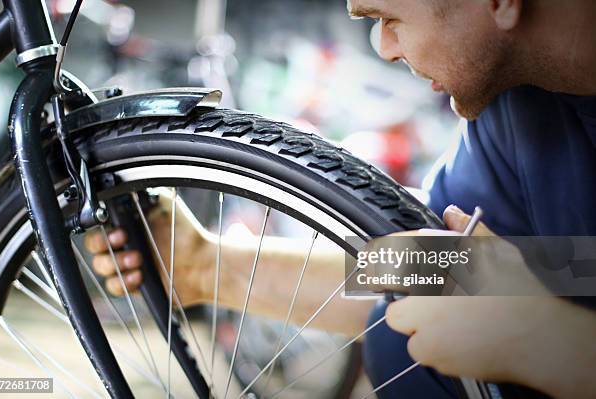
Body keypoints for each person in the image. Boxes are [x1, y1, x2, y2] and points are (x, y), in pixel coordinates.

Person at [85, 0, 596, 397]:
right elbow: (431, 275)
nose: (383, 45)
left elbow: (516, 313)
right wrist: (205, 266)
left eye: (388, 17)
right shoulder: (523, 111)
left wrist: (543, 342)